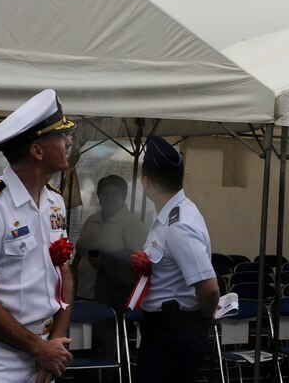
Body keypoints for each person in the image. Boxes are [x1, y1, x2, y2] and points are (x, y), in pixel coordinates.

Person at [0, 89, 76, 383]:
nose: (69, 142)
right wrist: (40, 349)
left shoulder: (55, 202)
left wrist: (54, 345)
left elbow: (66, 277)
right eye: (61, 136)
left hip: (43, 355)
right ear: (37, 151)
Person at [136, 135, 219, 383]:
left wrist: (203, 318)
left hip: (174, 332)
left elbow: (209, 288)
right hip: (163, 330)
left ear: (145, 181)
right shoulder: (167, 215)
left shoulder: (178, 225)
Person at [72, 175, 146, 307]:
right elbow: (80, 253)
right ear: (99, 196)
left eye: (115, 193)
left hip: (110, 297)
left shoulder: (131, 223)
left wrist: (106, 261)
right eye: (105, 193)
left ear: (124, 196)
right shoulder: (91, 220)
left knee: (102, 327)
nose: (109, 198)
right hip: (81, 293)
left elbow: (139, 262)